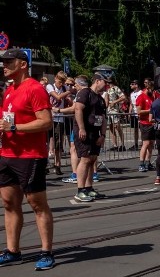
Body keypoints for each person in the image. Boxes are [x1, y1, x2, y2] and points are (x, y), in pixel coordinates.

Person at [0, 49, 56, 271]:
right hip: (7, 155)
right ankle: (13, 251)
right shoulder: (9, 90)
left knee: (37, 204)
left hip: (30, 156)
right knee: (9, 204)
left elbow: (46, 122)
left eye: (8, 61)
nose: (4, 65)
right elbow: (7, 119)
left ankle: (46, 252)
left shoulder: (35, 88)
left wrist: (14, 127)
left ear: (22, 64)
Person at [73, 74, 108, 202]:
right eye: (105, 82)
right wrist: (82, 128)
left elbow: (103, 119)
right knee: (85, 159)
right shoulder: (85, 93)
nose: (107, 85)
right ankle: (80, 190)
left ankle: (89, 188)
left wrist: (103, 135)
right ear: (97, 81)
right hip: (85, 132)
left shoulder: (100, 99)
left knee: (92, 159)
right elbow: (78, 109)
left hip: (95, 133)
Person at [46, 72, 73, 175]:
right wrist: (68, 92)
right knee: (46, 142)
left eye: (63, 82)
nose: (61, 84)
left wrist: (69, 98)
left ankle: (58, 165)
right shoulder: (50, 86)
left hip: (59, 119)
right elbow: (57, 97)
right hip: (49, 117)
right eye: (60, 81)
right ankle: (46, 163)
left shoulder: (65, 88)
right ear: (56, 78)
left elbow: (69, 101)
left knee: (58, 143)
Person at [136, 78, 158, 171]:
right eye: (150, 89)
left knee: (151, 143)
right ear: (147, 88)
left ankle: (148, 162)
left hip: (152, 122)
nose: (152, 91)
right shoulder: (141, 97)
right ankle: (141, 163)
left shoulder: (152, 96)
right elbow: (139, 111)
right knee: (146, 143)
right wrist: (150, 111)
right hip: (144, 123)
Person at [103, 77, 127, 151]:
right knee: (111, 127)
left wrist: (114, 102)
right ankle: (115, 144)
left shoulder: (115, 88)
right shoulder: (106, 89)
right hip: (108, 110)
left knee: (117, 126)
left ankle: (123, 144)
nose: (108, 83)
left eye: (109, 81)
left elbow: (123, 97)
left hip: (114, 109)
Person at [128, 80, 142, 149]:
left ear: (136, 85)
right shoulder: (131, 94)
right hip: (134, 113)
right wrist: (129, 113)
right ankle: (136, 144)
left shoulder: (141, 93)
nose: (131, 85)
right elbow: (131, 104)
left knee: (142, 129)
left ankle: (143, 143)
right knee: (135, 129)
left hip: (140, 113)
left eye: (132, 84)